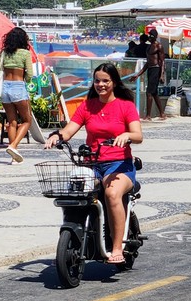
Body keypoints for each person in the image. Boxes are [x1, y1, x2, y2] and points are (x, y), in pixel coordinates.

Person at [44, 62, 143, 264]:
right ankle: (76, 233)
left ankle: (117, 248)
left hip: (119, 164)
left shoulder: (126, 106)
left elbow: (138, 135)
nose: (101, 84)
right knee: (76, 191)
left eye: (105, 81)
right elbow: (69, 130)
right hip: (92, 164)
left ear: (114, 82)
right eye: (97, 80)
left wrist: (126, 135)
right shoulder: (87, 105)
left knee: (111, 193)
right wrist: (57, 136)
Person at [0, 26, 34, 163]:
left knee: (12, 122)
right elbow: (30, 74)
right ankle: (13, 146)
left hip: (5, 87)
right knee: (27, 120)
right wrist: (27, 80)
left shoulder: (4, 53)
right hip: (18, 86)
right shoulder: (25, 53)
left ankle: (14, 155)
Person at [143, 29, 167, 121]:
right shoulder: (149, 47)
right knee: (154, 92)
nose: (149, 37)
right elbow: (148, 63)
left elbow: (162, 61)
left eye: (151, 36)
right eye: (149, 36)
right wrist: (138, 74)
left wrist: (162, 75)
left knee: (149, 92)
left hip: (156, 69)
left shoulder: (159, 46)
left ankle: (148, 115)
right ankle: (162, 113)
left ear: (155, 37)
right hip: (150, 69)